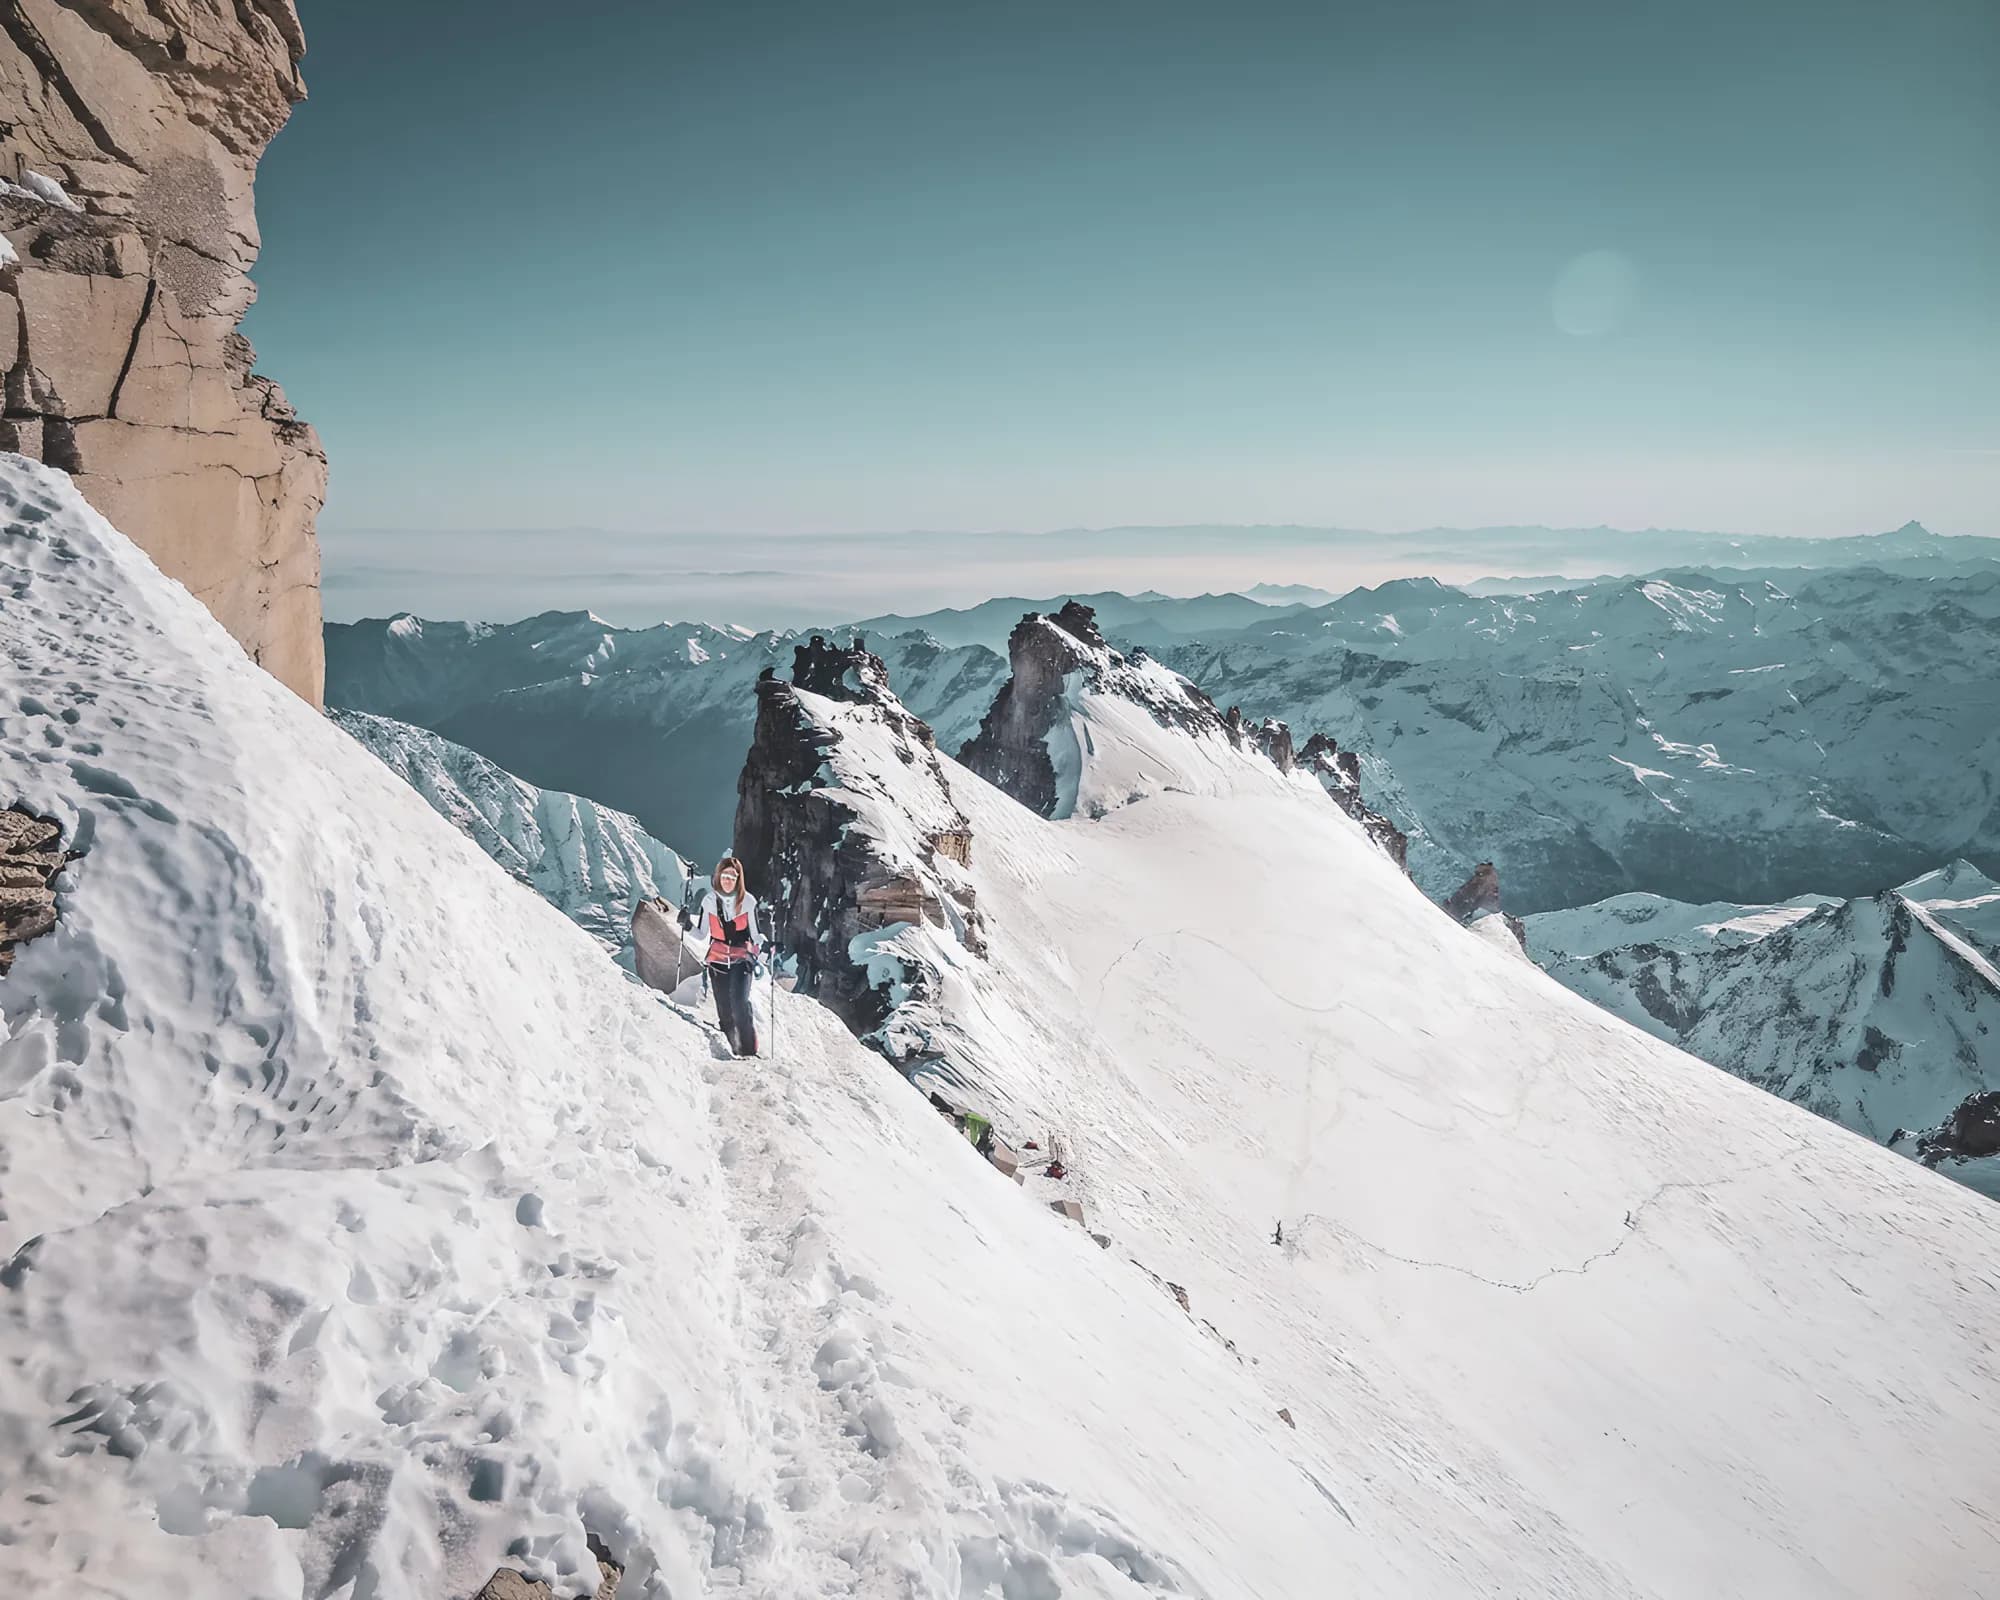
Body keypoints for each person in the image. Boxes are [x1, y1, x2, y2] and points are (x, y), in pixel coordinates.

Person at [680, 855, 764, 1056]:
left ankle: (748, 1051)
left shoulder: (748, 902)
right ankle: (733, 1046)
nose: (728, 880)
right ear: (719, 877)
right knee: (725, 1009)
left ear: (738, 879)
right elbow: (701, 934)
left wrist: (764, 945)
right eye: (725, 875)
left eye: (732, 876)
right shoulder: (709, 902)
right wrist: (687, 925)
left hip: (741, 959)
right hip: (717, 962)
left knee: (739, 1002)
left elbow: (755, 934)